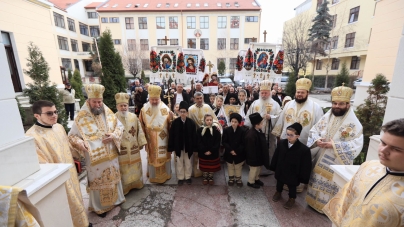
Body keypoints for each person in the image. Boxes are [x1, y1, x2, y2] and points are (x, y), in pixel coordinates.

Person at [323, 118, 404, 227]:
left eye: (396, 149)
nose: (383, 151)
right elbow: (344, 206)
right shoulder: (368, 167)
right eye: (383, 143)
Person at [26, 100, 90, 227]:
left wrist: (80, 146)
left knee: (77, 200)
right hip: (56, 179)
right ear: (37, 116)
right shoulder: (32, 137)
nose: (54, 115)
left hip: (70, 173)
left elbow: (68, 147)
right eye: (49, 113)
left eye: (55, 112)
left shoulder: (59, 127)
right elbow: (41, 164)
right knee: (65, 206)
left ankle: (83, 223)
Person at [305, 84, 364, 213]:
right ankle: (313, 203)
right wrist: (317, 140)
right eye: (335, 103)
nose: (337, 106)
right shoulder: (327, 116)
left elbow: (357, 144)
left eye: (341, 104)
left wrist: (334, 145)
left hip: (337, 161)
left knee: (332, 184)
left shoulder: (354, 124)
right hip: (321, 156)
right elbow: (315, 130)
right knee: (317, 179)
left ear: (348, 104)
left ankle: (328, 209)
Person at [68, 84, 125, 217]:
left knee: (113, 177)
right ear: (88, 101)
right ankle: (101, 207)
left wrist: (114, 136)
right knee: (99, 180)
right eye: (95, 102)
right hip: (95, 158)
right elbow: (72, 136)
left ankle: (116, 199)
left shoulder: (108, 112)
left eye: (100, 101)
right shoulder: (81, 117)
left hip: (111, 154)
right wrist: (80, 143)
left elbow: (119, 127)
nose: (98, 104)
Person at [272, 77, 323, 193]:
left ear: (307, 93)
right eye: (298, 92)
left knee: (299, 165)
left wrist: (315, 142)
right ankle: (282, 182)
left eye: (302, 92)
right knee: (285, 162)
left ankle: (297, 186)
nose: (299, 94)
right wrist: (278, 134)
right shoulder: (288, 104)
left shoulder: (316, 107)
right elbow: (281, 120)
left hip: (303, 143)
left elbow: (319, 127)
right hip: (287, 140)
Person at [270, 123, 312, 209]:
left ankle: (291, 198)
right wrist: (273, 166)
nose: (288, 137)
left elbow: (306, 165)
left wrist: (303, 177)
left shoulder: (304, 150)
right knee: (279, 182)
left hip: (293, 173)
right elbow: (276, 155)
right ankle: (278, 192)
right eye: (287, 134)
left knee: (292, 186)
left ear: (298, 136)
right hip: (281, 169)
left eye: (291, 135)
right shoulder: (282, 143)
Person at [245, 80, 281, 176]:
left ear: (270, 93)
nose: (264, 94)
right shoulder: (255, 103)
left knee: (269, 149)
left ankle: (268, 168)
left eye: (266, 93)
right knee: (256, 150)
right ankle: (255, 168)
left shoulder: (275, 104)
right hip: (256, 133)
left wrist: (271, 118)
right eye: (262, 93)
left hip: (269, 133)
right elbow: (248, 116)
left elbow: (279, 117)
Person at [139, 85, 174, 183]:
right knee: (152, 157)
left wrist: (171, 119)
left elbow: (170, 123)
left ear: (160, 98)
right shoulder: (144, 109)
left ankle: (166, 174)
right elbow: (140, 125)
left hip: (164, 138)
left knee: (164, 156)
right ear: (149, 98)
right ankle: (153, 175)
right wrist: (144, 140)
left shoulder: (165, 108)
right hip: (151, 140)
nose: (154, 101)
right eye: (152, 99)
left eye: (156, 99)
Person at [114, 93, 147, 194]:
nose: (123, 108)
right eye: (121, 106)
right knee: (123, 167)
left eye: (125, 105)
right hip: (122, 148)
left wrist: (142, 142)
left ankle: (137, 184)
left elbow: (139, 130)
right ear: (117, 106)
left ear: (128, 106)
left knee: (135, 165)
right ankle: (125, 188)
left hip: (133, 147)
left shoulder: (133, 117)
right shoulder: (113, 118)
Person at [188, 92, 221, 177]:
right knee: (197, 154)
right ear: (194, 99)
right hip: (197, 134)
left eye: (201, 98)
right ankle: (198, 171)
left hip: (208, 133)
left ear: (203, 98)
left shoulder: (207, 107)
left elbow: (214, 119)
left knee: (209, 153)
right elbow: (190, 123)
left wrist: (216, 126)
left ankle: (209, 171)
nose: (199, 100)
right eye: (197, 98)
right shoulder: (191, 109)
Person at [168, 101, 197, 185]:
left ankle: (188, 177)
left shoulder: (191, 123)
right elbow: (172, 136)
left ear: (187, 113)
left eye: (184, 112)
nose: (183, 113)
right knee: (179, 162)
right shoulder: (175, 122)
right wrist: (171, 148)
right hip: (178, 146)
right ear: (179, 112)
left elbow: (194, 136)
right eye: (181, 112)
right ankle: (180, 177)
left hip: (188, 146)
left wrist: (194, 147)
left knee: (188, 162)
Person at [244, 113, 269, 189]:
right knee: (253, 170)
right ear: (256, 125)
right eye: (261, 123)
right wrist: (253, 158)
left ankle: (256, 179)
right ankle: (251, 182)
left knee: (258, 169)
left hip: (259, 155)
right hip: (254, 157)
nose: (263, 124)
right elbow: (250, 148)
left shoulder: (259, 130)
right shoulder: (251, 135)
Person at [197, 114, 222, 185]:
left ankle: (211, 177)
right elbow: (199, 142)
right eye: (207, 120)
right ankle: (205, 177)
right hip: (203, 152)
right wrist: (204, 150)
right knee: (205, 166)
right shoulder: (200, 130)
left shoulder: (216, 130)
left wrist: (211, 151)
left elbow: (217, 142)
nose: (209, 121)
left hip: (213, 152)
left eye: (210, 120)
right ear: (204, 121)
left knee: (211, 166)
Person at [222, 113, 246, 187]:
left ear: (239, 122)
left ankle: (238, 179)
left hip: (239, 153)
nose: (233, 123)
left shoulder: (242, 131)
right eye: (232, 121)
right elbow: (224, 142)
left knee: (238, 166)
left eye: (235, 122)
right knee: (230, 166)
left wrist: (237, 151)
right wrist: (230, 150)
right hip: (229, 152)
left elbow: (243, 143)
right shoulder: (226, 130)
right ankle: (231, 178)